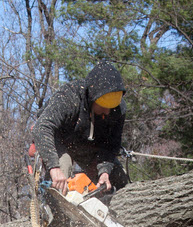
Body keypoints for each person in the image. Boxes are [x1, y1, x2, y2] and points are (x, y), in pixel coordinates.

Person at [31, 60, 129, 194]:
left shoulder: (117, 110)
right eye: (103, 106)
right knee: (62, 176)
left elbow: (111, 146)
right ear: (92, 97)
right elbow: (42, 127)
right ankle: (54, 211)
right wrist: (54, 167)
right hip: (60, 140)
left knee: (118, 178)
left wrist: (104, 171)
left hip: (88, 145)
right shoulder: (69, 96)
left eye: (110, 108)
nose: (107, 112)